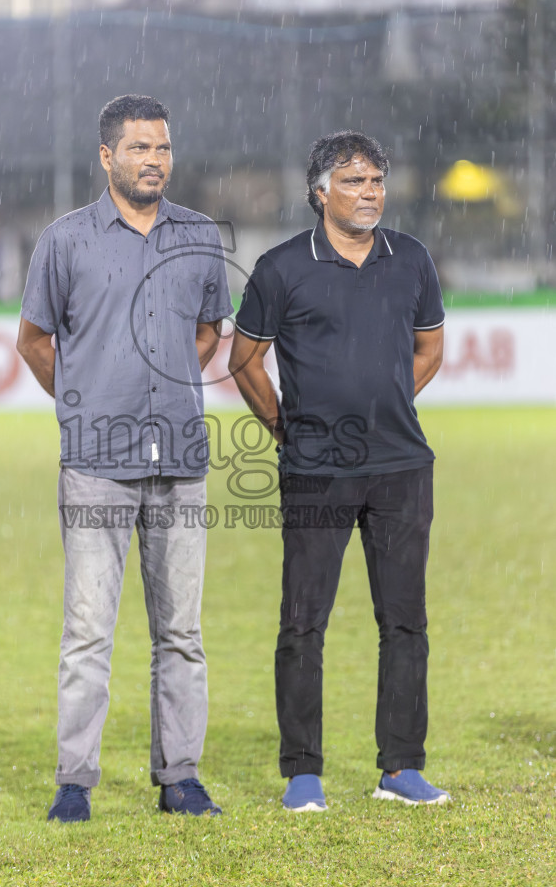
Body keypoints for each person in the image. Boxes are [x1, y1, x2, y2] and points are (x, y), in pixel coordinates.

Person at [17, 94, 232, 821]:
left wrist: (164, 384)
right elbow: (35, 342)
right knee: (87, 631)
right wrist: (82, 399)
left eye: (163, 148)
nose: (155, 161)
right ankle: (74, 782)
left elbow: (208, 334)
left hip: (179, 457)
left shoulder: (200, 236)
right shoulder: (65, 240)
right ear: (107, 157)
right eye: (139, 148)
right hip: (94, 463)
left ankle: (180, 778)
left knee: (182, 632)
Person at [228, 130, 449, 810]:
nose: (369, 193)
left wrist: (379, 405)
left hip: (400, 469)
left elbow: (429, 347)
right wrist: (288, 430)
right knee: (302, 622)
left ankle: (400, 768)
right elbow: (244, 361)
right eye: (353, 181)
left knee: (404, 623)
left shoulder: (410, 258)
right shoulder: (280, 268)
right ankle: (302, 773)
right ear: (319, 192)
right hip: (314, 473)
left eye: (377, 180)